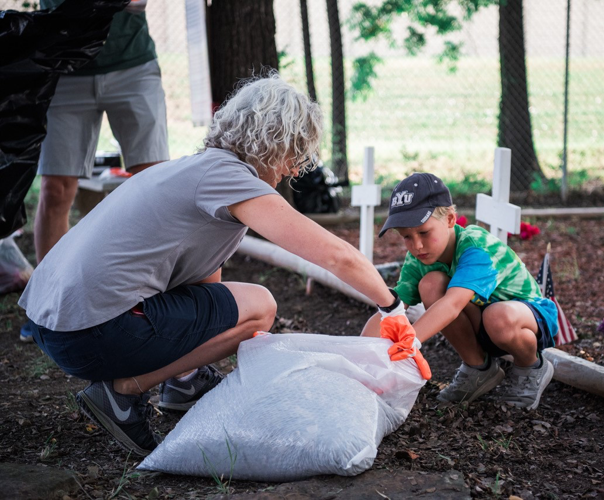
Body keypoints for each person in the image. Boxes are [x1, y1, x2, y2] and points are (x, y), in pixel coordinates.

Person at [18, 75, 411, 456]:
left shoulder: (194, 170)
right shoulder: (230, 178)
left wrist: (201, 352)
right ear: (276, 144)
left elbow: (203, 285)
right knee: (260, 307)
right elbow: (335, 254)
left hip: (51, 323)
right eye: (295, 155)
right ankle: (122, 391)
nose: (293, 170)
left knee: (236, 307)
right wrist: (391, 307)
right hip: (90, 333)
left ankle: (184, 382)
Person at [19, 0, 168, 342]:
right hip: (66, 67)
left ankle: (162, 298)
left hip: (133, 66)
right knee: (56, 189)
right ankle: (46, 307)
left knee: (155, 183)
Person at [361, 172, 558, 410]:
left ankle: (530, 366)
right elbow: (391, 309)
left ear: (450, 219)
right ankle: (479, 368)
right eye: (407, 237)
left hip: (527, 320)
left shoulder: (476, 246)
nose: (417, 245)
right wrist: (361, 356)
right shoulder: (418, 260)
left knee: (497, 316)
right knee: (431, 283)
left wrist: (408, 344)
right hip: (483, 326)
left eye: (424, 232)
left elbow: (453, 304)